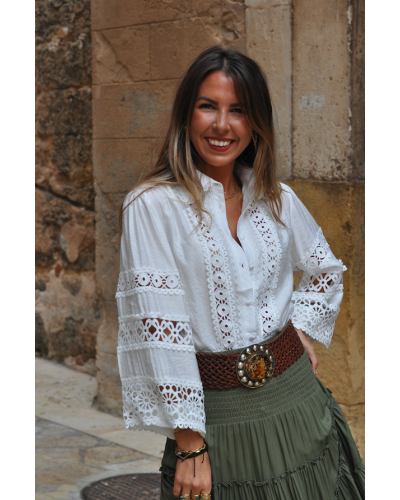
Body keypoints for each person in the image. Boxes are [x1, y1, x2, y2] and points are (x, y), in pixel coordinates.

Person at [116, 46, 365, 500]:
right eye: (208, 106)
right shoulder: (151, 206)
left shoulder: (276, 198)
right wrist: (190, 445)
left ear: (256, 124)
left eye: (239, 111)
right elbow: (160, 333)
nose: (222, 125)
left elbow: (325, 271)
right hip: (218, 421)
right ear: (186, 114)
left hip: (299, 401)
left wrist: (302, 330)